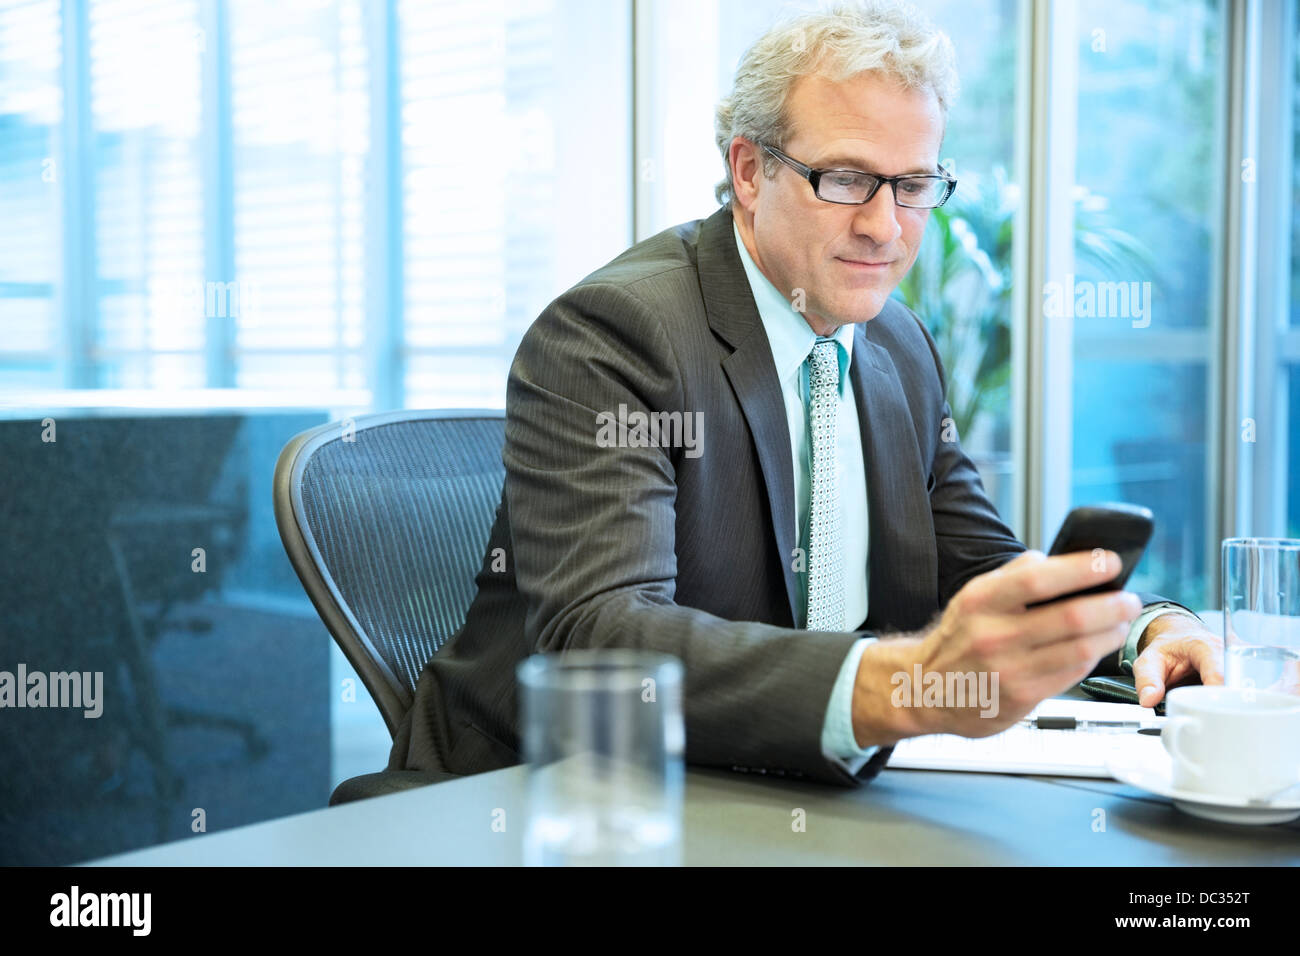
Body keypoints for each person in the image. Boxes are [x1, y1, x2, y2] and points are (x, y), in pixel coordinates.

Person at [388, 0, 1222, 786]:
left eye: (913, 185)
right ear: (749, 171)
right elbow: (603, 639)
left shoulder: (898, 344)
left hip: (790, 794)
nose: (885, 227)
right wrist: (903, 687)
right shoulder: (614, 333)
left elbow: (982, 571)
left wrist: (1143, 632)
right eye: (848, 179)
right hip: (555, 799)